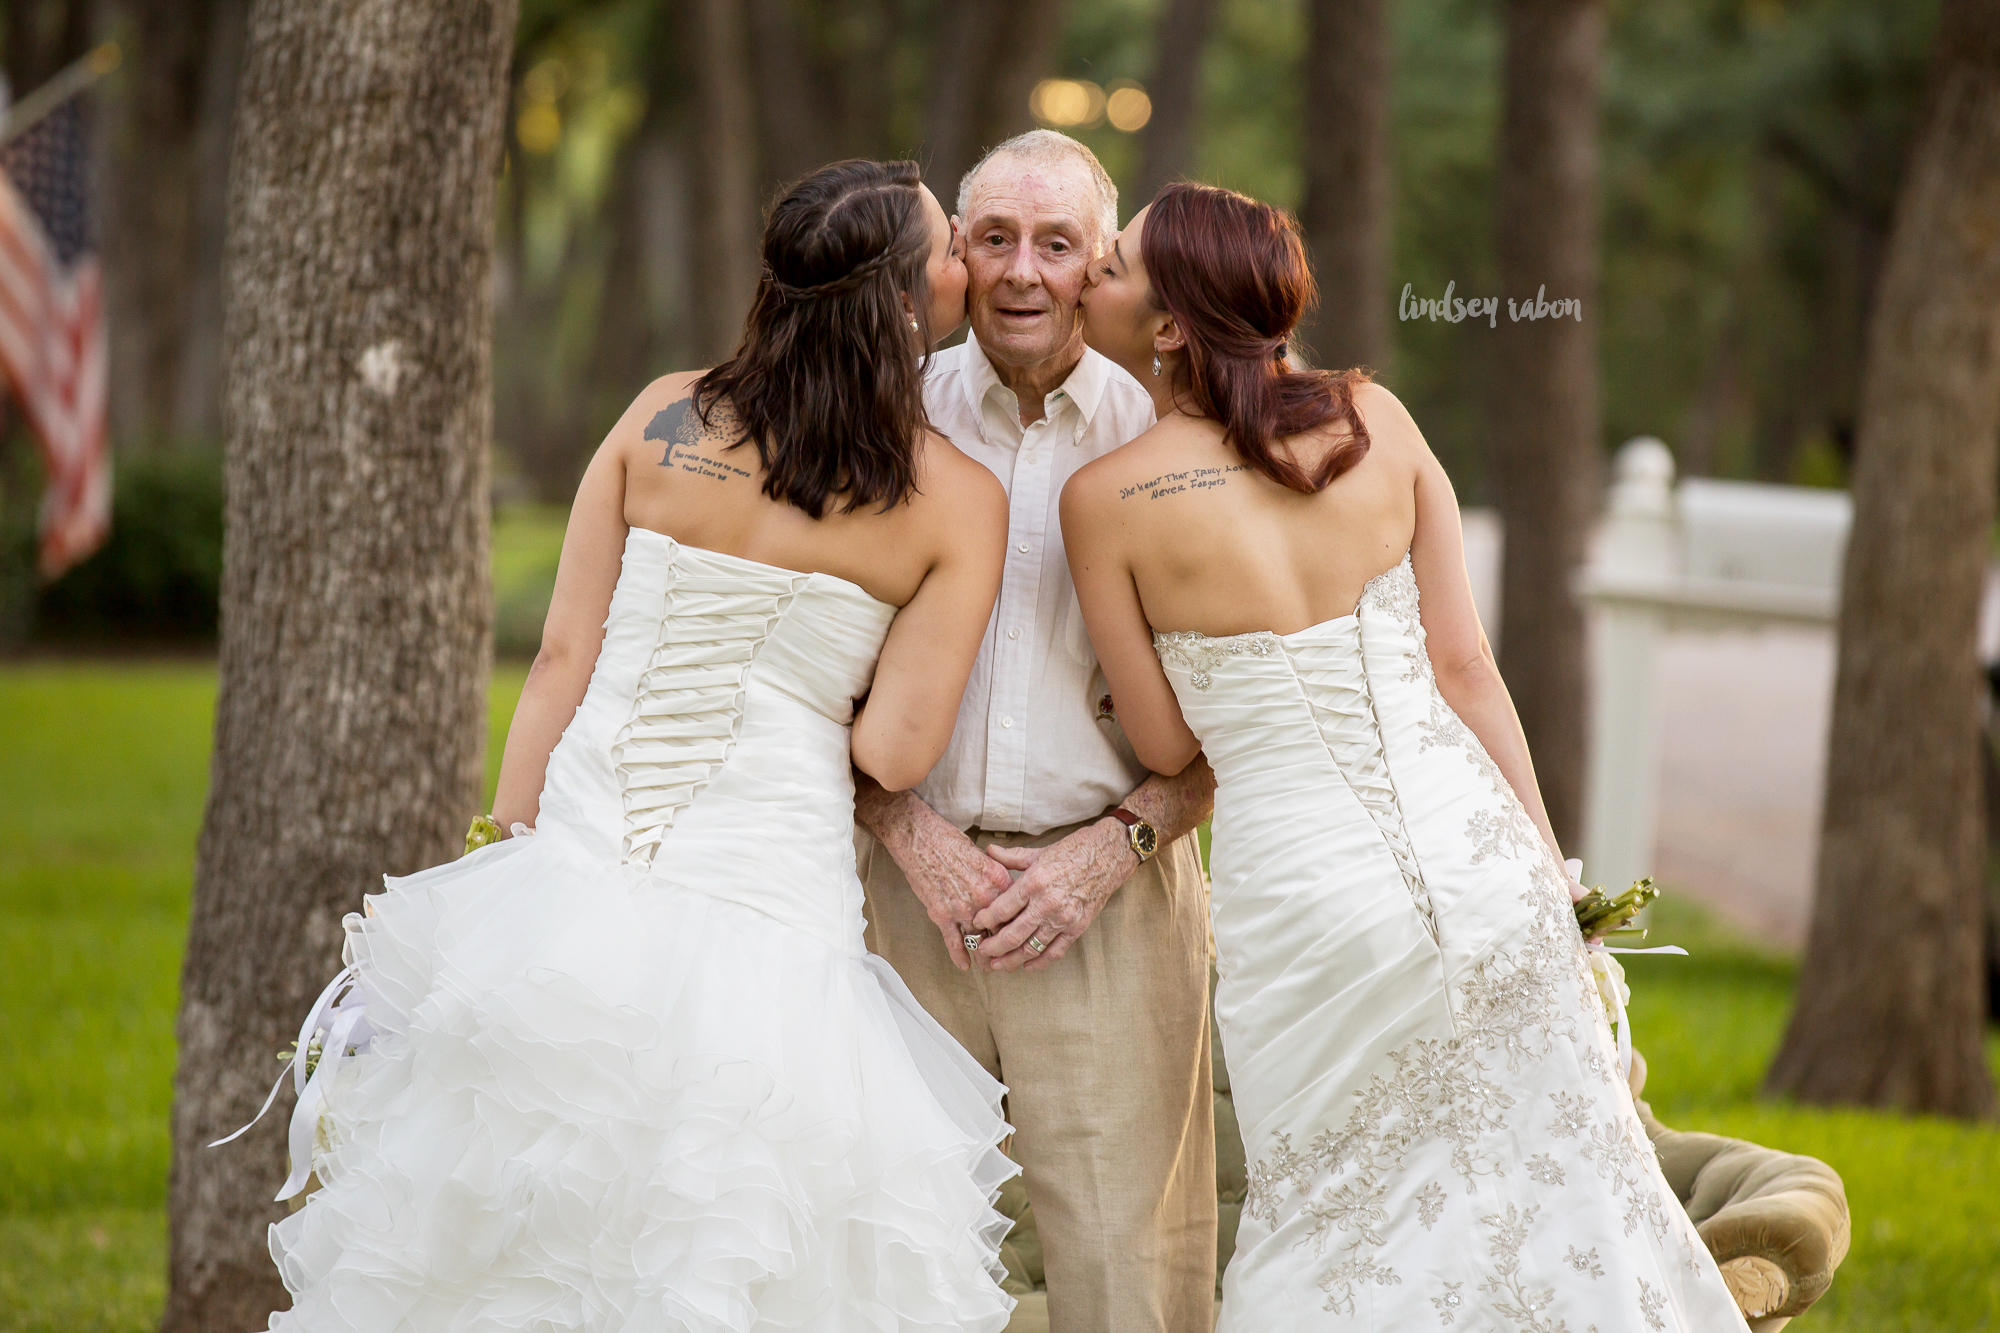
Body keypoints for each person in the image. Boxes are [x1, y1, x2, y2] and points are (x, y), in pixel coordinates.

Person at [261, 160, 1021, 1331]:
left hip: (574, 874)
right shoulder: (954, 497)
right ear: (904, 303)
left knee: (516, 1204)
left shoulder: (664, 413)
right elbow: (896, 749)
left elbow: (563, 655)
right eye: (953, 249)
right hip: (765, 898)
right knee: (723, 1216)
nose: (974, 260)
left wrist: (496, 853)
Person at [1063, 181, 1751, 1331]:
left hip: (1302, 899)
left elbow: (1168, 744)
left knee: (1334, 1214)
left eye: (1113, 263)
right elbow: (1464, 667)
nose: (1088, 272)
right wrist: (1548, 873)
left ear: (1173, 324)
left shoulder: (1105, 500)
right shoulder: (1377, 423)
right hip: (1481, 869)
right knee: (1564, 1194)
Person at [854, 130, 1219, 1332]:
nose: (1022, 272)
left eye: (1056, 245)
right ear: (951, 255)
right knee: (874, 1256)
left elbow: (1247, 692)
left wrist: (1109, 849)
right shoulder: (879, 420)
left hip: (1109, 894)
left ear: (1099, 265)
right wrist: (902, 828)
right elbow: (799, 661)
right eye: (994, 239)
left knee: (1130, 1275)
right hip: (895, 900)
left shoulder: (1167, 445)